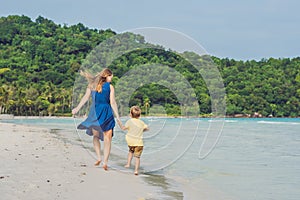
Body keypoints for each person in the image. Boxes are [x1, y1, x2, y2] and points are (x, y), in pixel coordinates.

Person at [72, 68, 121, 171]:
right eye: (111, 76)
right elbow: (112, 102)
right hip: (107, 112)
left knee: (96, 136)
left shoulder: (92, 86)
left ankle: (98, 157)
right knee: (108, 139)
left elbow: (85, 98)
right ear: (107, 76)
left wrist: (77, 108)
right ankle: (105, 162)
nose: (111, 79)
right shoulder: (110, 87)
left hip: (95, 112)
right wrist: (118, 117)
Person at [118, 106, 149, 175]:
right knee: (137, 157)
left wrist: (119, 123)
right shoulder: (141, 122)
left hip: (130, 142)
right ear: (140, 115)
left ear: (130, 115)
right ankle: (136, 171)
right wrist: (142, 130)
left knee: (130, 152)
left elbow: (123, 128)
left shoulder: (129, 121)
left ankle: (128, 164)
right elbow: (147, 128)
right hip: (139, 143)